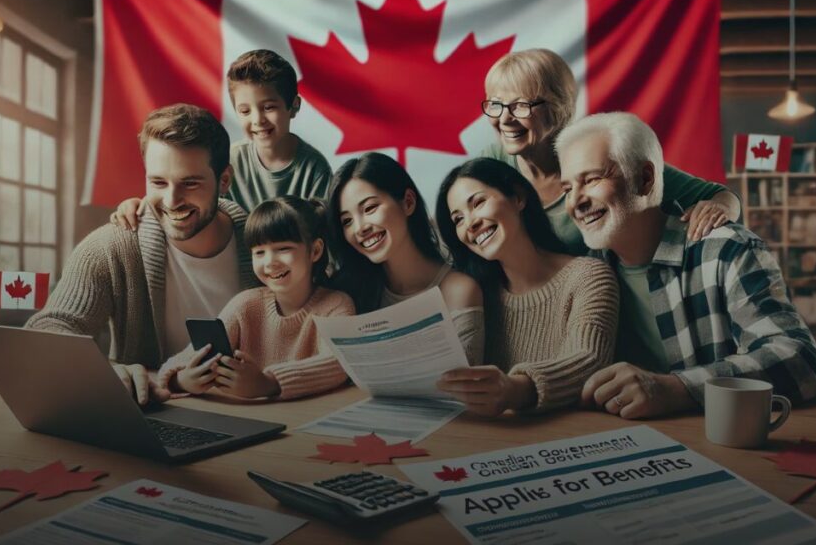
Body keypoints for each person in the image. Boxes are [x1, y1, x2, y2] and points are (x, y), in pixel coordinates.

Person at [554, 112, 816, 419]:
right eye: (567, 189)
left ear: (645, 179)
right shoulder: (586, 274)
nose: (575, 202)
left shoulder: (725, 249)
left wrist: (673, 390)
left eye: (591, 179)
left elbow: (803, 364)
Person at [27, 104, 259, 404]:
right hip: (156, 415)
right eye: (158, 182)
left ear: (224, 180)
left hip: (262, 413)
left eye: (190, 183)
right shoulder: (110, 246)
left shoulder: (265, 245)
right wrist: (101, 372)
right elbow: (48, 328)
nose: (172, 200)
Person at [481, 48, 740, 254]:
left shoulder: (596, 152)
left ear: (559, 106)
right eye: (496, 105)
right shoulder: (491, 165)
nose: (504, 119)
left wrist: (716, 211)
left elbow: (722, 197)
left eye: (520, 105)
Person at [435, 158, 619, 416]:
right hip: (489, 442)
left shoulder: (588, 276)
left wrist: (517, 389)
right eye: (458, 219)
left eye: (478, 203)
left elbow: (589, 360)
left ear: (518, 198)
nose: (470, 224)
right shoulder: (476, 294)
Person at [158, 196, 355, 400]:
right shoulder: (246, 304)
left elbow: (339, 363)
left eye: (283, 249)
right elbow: (189, 355)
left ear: (315, 251)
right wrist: (180, 380)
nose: (270, 262)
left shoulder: (336, 306)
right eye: (259, 252)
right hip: (250, 419)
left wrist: (268, 383)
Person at [111, 49, 333, 228]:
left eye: (268, 107)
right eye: (245, 111)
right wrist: (137, 206)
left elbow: (320, 233)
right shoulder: (230, 159)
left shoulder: (314, 168)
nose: (257, 119)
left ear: (293, 106)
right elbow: (185, 201)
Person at [327, 153, 484, 364]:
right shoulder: (352, 294)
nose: (359, 228)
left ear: (408, 202)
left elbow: (466, 383)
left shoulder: (459, 291)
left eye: (370, 208)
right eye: (347, 221)